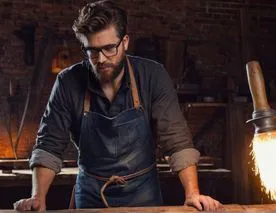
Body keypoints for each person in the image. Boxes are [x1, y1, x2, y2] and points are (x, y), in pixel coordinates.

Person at [14, 0, 222, 211]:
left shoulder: (153, 76)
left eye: (109, 48)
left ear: (125, 42)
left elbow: (177, 141)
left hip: (143, 195)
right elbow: (49, 145)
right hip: (91, 196)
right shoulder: (68, 82)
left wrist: (192, 193)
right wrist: (37, 197)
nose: (101, 59)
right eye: (92, 51)